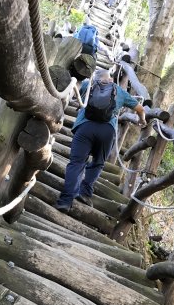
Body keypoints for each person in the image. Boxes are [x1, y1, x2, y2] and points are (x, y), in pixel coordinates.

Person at [54, 69, 146, 212]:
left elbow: (73, 89)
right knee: (98, 163)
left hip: (84, 127)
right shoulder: (118, 91)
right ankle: (84, 193)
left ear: (95, 77)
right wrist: (142, 120)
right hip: (107, 131)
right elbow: (140, 108)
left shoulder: (88, 84)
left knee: (76, 164)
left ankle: (65, 201)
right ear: (110, 79)